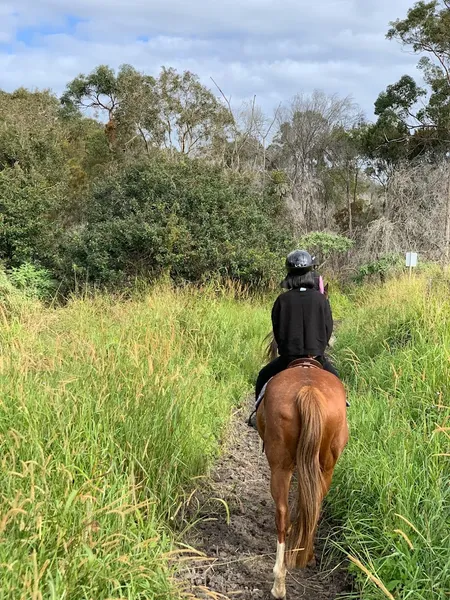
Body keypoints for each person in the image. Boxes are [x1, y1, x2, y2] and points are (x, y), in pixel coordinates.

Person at [255, 249, 339, 404]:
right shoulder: (321, 300)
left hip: (288, 359)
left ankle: (255, 413)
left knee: (263, 376)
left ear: (289, 274)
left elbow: (278, 331)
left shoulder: (282, 300)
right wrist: (317, 350)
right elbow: (328, 328)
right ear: (309, 273)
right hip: (316, 357)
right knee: (337, 381)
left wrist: (287, 351)